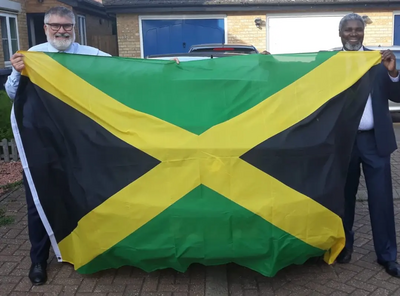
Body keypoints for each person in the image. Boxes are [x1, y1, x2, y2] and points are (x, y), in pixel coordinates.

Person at [4, 6, 111, 286]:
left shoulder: (91, 56)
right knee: (37, 201)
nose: (61, 31)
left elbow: (123, 73)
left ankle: (86, 250)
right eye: (55, 26)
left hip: (80, 144)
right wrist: (17, 73)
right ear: (45, 27)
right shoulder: (33, 56)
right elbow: (16, 96)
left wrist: (165, 67)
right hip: (41, 143)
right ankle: (38, 259)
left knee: (86, 196)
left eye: (67, 26)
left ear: (74, 28)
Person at [336, 13, 400, 278]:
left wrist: (393, 72)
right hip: (344, 142)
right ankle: (344, 247)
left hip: (375, 141)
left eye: (358, 30)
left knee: (382, 199)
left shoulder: (379, 60)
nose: (353, 34)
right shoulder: (331, 64)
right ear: (340, 33)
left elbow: (397, 95)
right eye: (348, 30)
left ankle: (387, 256)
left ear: (363, 33)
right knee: (343, 199)